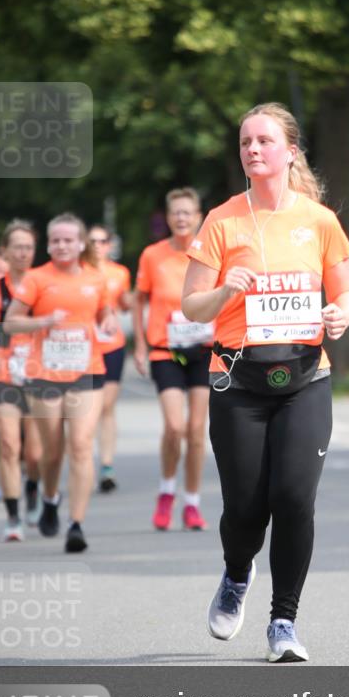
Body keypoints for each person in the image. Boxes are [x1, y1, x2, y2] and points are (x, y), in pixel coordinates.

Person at [182, 102, 349, 663]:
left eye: (262, 141)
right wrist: (225, 290)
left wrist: (342, 314)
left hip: (307, 376)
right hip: (237, 379)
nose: (252, 150)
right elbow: (191, 306)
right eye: (244, 142)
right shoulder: (222, 220)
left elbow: (347, 292)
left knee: (293, 498)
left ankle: (283, 621)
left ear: (289, 151)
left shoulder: (319, 220)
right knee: (245, 507)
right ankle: (237, 573)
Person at [4, 213, 116, 553]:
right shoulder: (36, 279)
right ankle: (50, 497)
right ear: (49, 244)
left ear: (81, 243)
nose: (61, 245)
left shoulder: (96, 279)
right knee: (52, 452)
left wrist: (109, 322)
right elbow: (10, 324)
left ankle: (76, 524)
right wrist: (44, 320)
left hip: (87, 370)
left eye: (68, 239)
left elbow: (104, 313)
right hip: (46, 374)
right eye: (55, 240)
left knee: (81, 445)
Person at [134, 188, 213, 532]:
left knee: (196, 431)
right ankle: (167, 491)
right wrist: (138, 345)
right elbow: (139, 301)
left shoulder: (210, 254)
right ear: (168, 218)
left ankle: (192, 502)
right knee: (174, 426)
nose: (181, 218)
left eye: (188, 212)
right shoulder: (153, 256)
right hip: (165, 350)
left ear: (198, 216)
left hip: (203, 349)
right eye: (175, 213)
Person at [0, 221, 43, 541]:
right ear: (5, 251)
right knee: (9, 444)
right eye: (17, 246)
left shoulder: (44, 284)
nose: (23, 252)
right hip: (2, 374)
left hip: (40, 374)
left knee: (35, 453)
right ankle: (13, 516)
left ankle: (32, 489)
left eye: (28, 247)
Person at [87, 225, 132, 493]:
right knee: (88, 409)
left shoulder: (120, 273)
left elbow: (125, 302)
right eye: (91, 241)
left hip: (112, 345)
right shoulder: (78, 272)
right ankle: (84, 460)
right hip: (84, 348)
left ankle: (106, 465)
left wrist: (129, 303)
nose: (97, 245)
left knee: (107, 407)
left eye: (102, 241)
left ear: (108, 244)